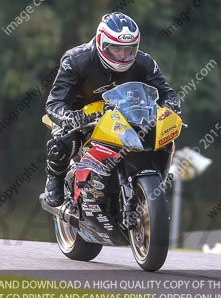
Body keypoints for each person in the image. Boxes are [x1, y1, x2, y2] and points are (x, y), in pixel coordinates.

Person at [43, 12, 182, 206]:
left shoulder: (145, 62)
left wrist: (171, 105)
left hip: (125, 113)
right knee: (62, 142)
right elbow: (54, 102)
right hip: (82, 114)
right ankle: (55, 180)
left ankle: (158, 176)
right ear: (102, 43)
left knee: (163, 135)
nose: (123, 55)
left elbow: (167, 92)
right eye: (116, 48)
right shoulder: (76, 60)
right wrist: (69, 118)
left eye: (129, 49)